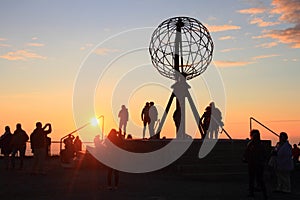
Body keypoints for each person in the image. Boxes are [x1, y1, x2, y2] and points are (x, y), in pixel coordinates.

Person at [243, 129, 268, 199]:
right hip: (254, 164)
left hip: (256, 164)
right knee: (255, 179)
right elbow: (247, 153)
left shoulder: (254, 144)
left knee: (257, 179)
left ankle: (261, 193)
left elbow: (247, 153)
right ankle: (256, 193)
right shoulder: (254, 144)